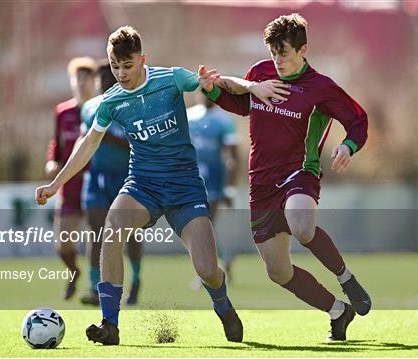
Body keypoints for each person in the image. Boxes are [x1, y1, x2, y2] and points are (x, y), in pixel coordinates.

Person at [35, 26, 281, 345]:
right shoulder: (111, 101)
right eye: (115, 67)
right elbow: (88, 144)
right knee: (112, 229)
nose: (122, 74)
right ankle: (110, 324)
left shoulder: (171, 79)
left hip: (185, 188)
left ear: (142, 59)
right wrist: (56, 183)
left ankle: (223, 306)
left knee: (207, 269)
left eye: (128, 65)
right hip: (142, 185)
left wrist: (252, 87)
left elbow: (218, 82)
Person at [199, 13, 371, 341]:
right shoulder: (260, 73)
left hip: (299, 172)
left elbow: (358, 119)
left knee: (301, 225)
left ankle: (345, 277)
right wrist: (212, 91)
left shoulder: (321, 87)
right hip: (260, 183)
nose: (277, 60)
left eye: (285, 53)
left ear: (302, 49)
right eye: (274, 52)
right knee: (278, 271)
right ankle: (338, 311)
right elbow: (240, 104)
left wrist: (348, 146)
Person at [79, 59, 143, 306]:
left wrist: (109, 137)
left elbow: (136, 140)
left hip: (127, 177)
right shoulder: (89, 109)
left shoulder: (132, 106)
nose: (105, 84)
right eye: (101, 80)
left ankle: (136, 280)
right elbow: (86, 142)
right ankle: (95, 288)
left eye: (110, 79)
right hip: (97, 177)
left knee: (130, 233)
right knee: (96, 233)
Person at [45, 56, 96, 300]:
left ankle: (96, 288)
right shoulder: (62, 112)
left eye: (86, 78)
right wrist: (52, 161)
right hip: (69, 187)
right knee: (63, 246)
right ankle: (74, 271)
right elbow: (57, 142)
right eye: (78, 78)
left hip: (95, 185)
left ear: (94, 82)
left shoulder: (100, 110)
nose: (81, 83)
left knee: (96, 241)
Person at [187, 96, 240, 287]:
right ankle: (222, 262)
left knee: (205, 225)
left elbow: (233, 157)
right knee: (199, 227)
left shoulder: (224, 120)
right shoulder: (189, 116)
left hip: (215, 181)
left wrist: (230, 188)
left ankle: (206, 273)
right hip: (193, 180)